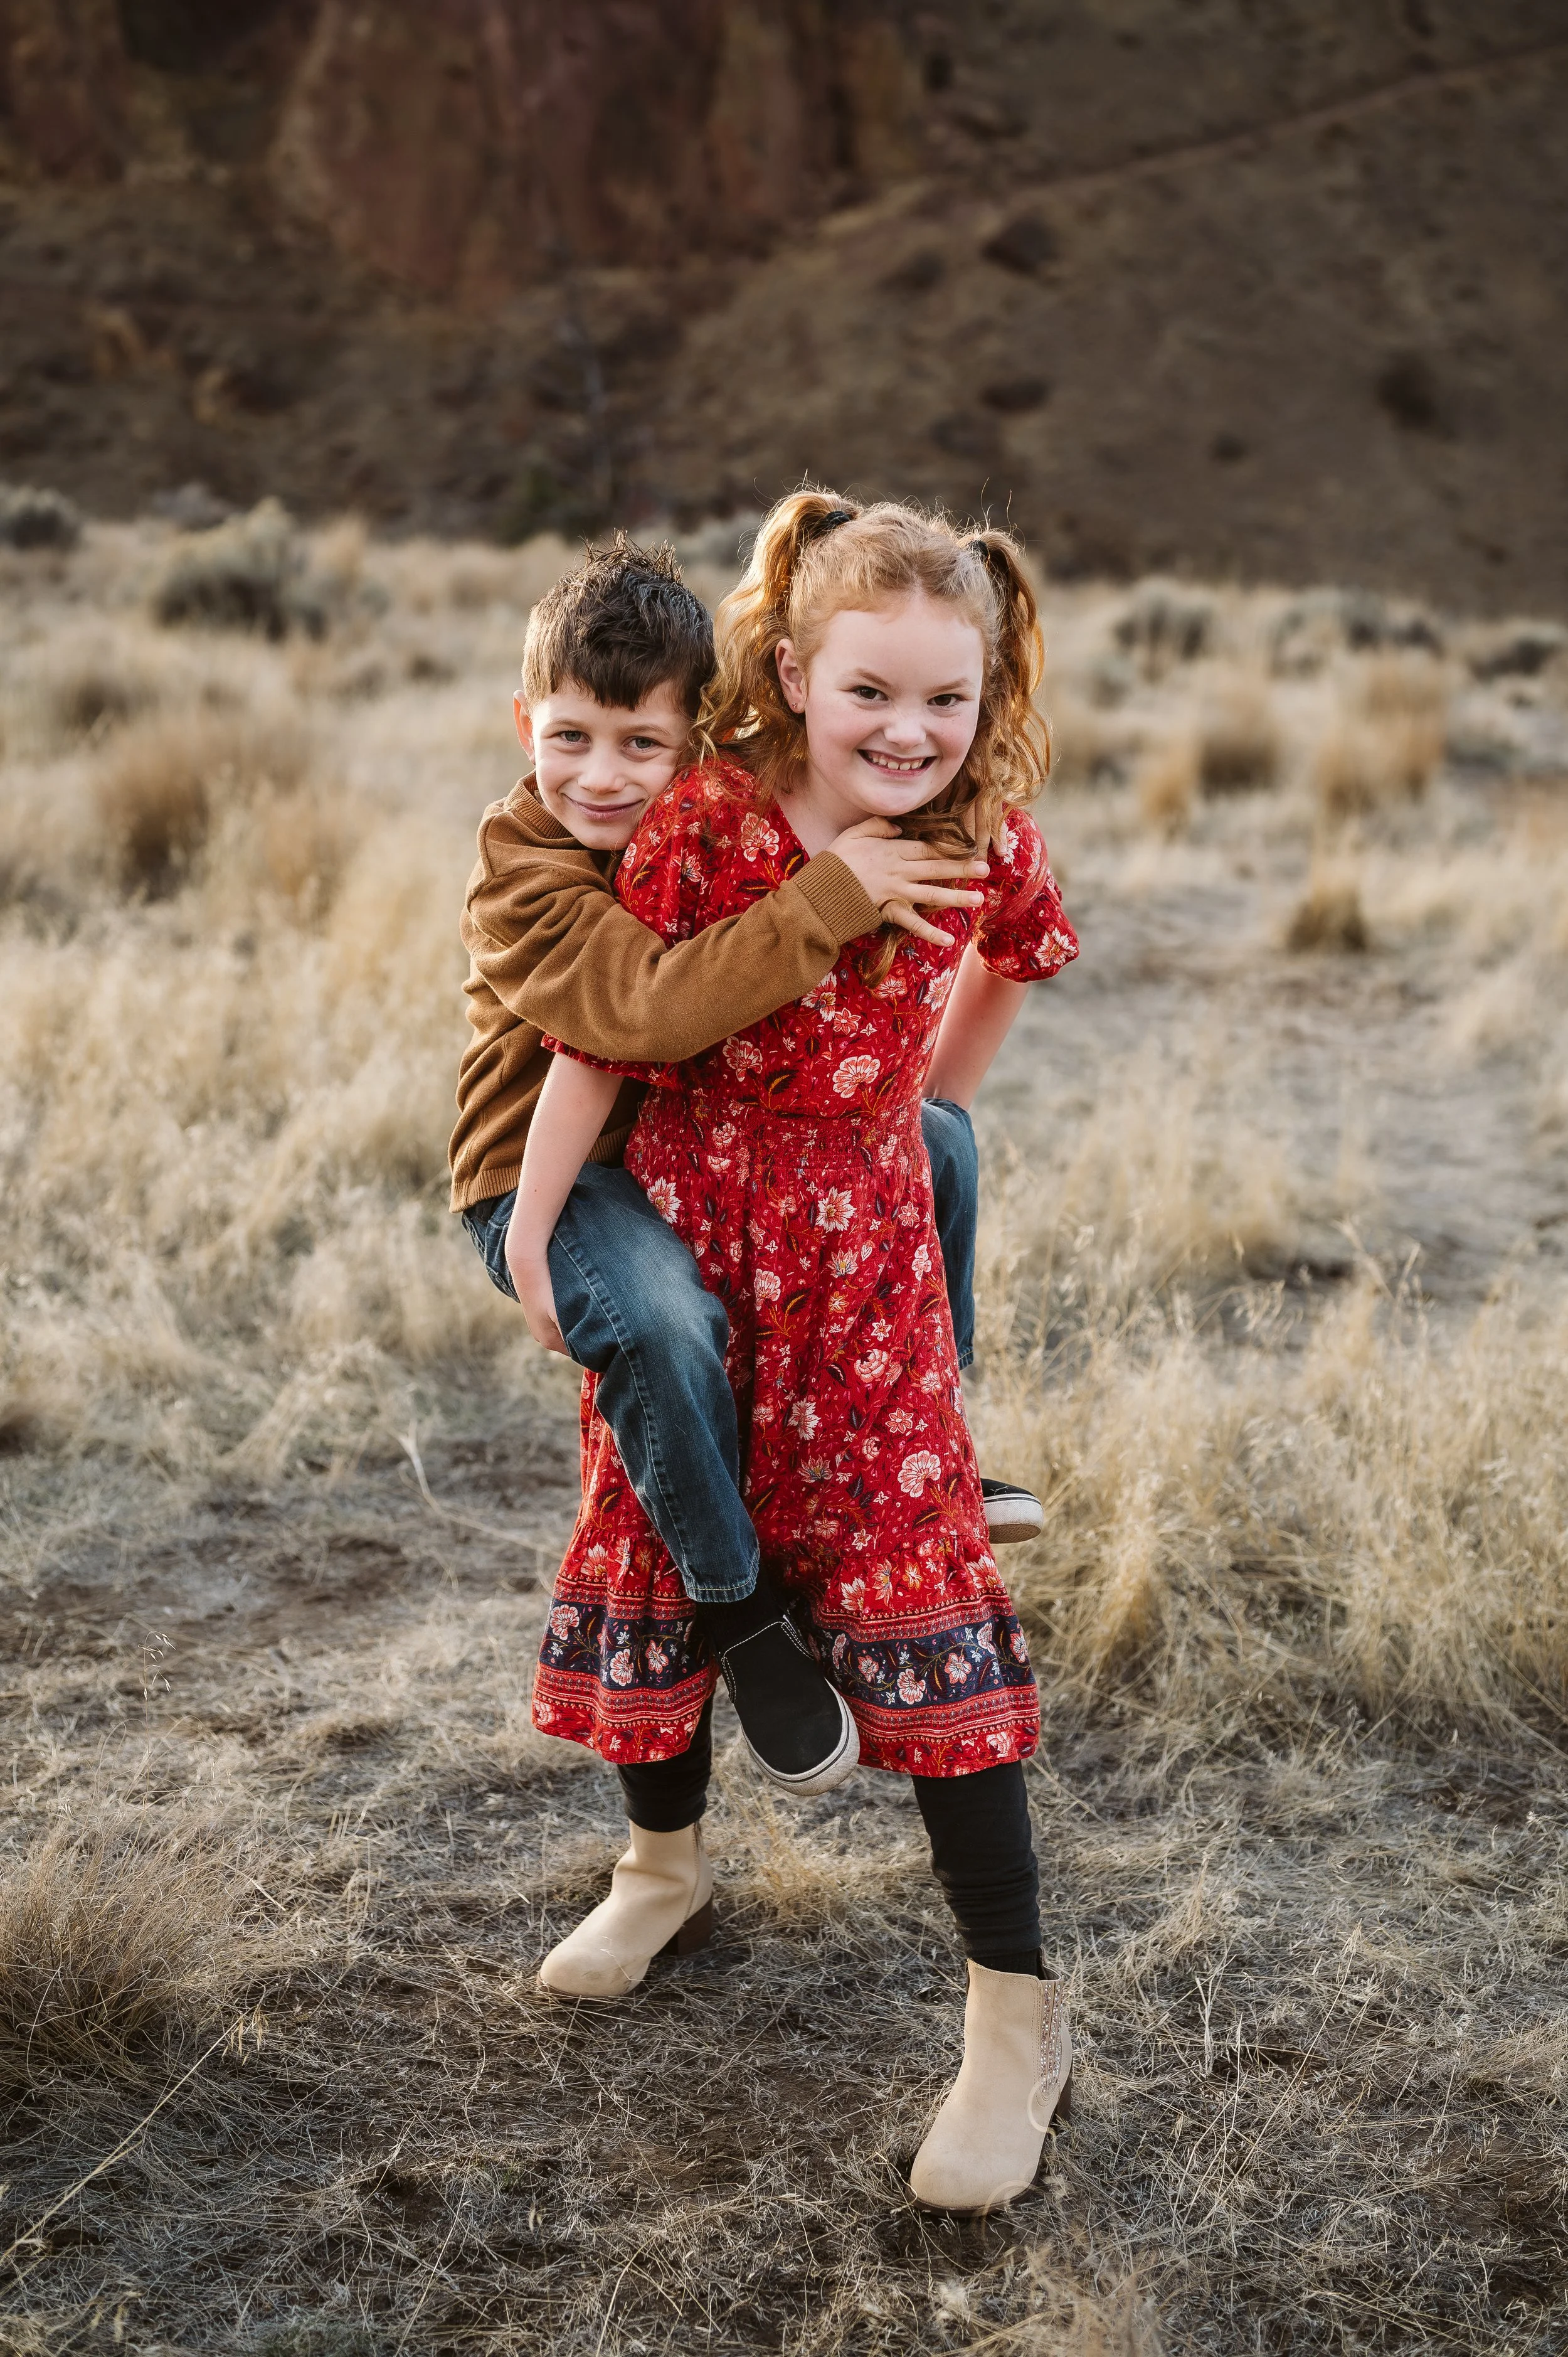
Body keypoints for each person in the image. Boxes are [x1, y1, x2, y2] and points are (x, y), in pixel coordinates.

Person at [509, 493, 1080, 2215]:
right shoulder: (707, 822)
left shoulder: (986, 836)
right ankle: (658, 1864)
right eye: (870, 695)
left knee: (918, 1590)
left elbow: (1015, 960)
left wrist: (929, 1114)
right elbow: (599, 1040)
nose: (908, 733)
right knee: (666, 1549)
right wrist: (538, 1229)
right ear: (795, 672)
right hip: (693, 1232)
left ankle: (1012, 2018)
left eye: (944, 700)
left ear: (987, 697)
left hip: (862, 1275)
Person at [450, 536, 1035, 1797]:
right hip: (546, 1179)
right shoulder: (523, 872)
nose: (601, 779)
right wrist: (830, 895)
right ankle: (736, 1609)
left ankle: (936, 1441)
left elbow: (994, 938)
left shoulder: (698, 816)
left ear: (695, 743)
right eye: (568, 739)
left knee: (933, 1141)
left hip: (673, 1150)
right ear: (523, 723)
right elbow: (638, 1020)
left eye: (640, 747)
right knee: (662, 1322)